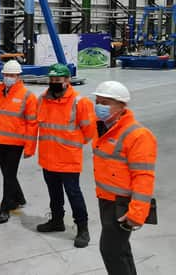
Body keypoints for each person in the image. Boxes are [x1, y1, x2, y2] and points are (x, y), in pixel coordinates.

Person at [91, 81, 157, 275]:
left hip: (121, 205)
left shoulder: (138, 135)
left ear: (122, 106)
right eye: (98, 101)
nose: (100, 106)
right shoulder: (102, 127)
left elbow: (143, 177)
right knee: (120, 250)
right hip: (105, 199)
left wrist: (137, 213)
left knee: (110, 250)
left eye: (106, 102)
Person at [36, 63, 96, 248]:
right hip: (48, 158)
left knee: (73, 194)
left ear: (67, 80)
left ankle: (82, 229)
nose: (54, 83)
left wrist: (71, 144)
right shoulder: (42, 99)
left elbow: (89, 131)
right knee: (54, 194)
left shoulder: (80, 102)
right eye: (51, 79)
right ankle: (57, 221)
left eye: (58, 80)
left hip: (68, 159)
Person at [0, 60, 38, 223]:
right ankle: (19, 198)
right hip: (1, 141)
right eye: (6, 75)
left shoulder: (27, 96)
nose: (8, 78)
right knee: (7, 174)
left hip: (16, 143)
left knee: (8, 175)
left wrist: (29, 148)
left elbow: (32, 124)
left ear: (18, 76)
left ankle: (5, 207)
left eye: (12, 75)